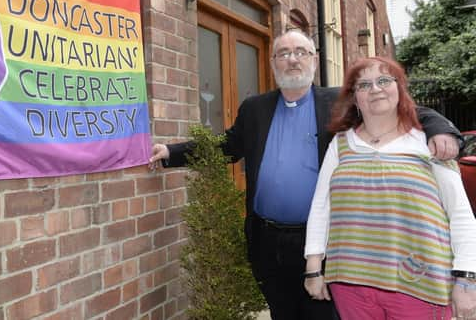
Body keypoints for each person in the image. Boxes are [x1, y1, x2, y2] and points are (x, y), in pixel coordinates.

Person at [149, 29, 462, 320]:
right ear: (273, 63)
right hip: (266, 241)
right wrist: (170, 154)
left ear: (314, 59)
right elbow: (226, 146)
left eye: (301, 51)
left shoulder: (338, 102)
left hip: (322, 241)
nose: (292, 58)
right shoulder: (255, 108)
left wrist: (440, 128)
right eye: (283, 53)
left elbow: (397, 107)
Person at [303, 57, 476, 320]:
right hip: (350, 281)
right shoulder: (340, 145)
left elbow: (461, 214)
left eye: (384, 80)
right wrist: (314, 267)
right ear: (354, 98)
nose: (375, 88)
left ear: (399, 88)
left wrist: (466, 278)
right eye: (364, 84)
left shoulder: (430, 142)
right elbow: (321, 206)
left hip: (419, 283)